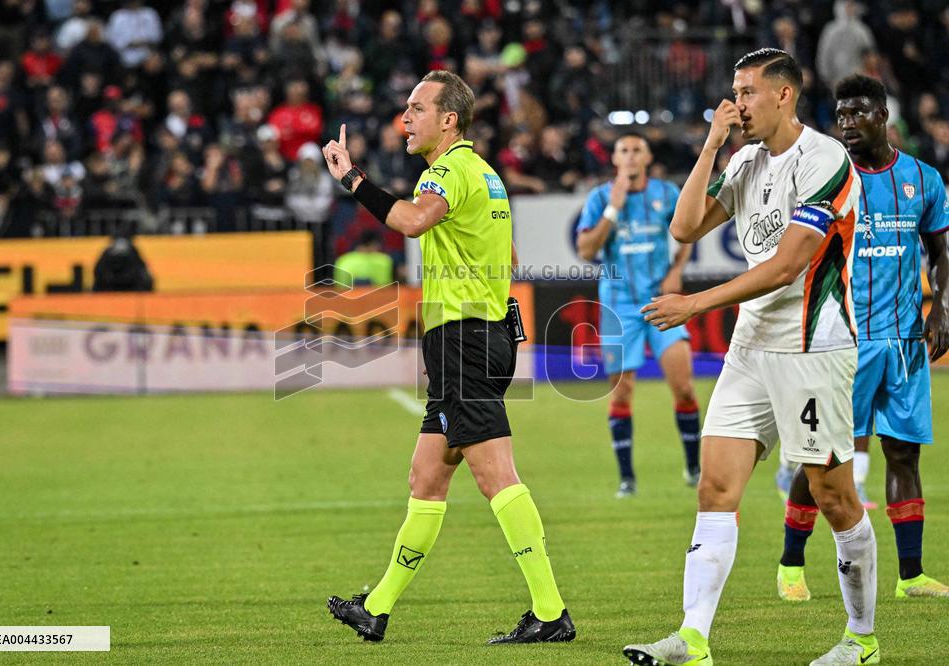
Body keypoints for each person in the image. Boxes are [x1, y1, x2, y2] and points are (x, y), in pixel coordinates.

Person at [623, 49, 877, 666]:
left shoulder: (825, 159)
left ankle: (861, 638)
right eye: (733, 92)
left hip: (810, 347)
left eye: (746, 92)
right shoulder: (744, 162)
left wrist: (697, 302)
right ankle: (692, 638)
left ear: (784, 94)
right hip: (750, 349)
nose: (735, 103)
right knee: (715, 486)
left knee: (833, 495)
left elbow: (789, 263)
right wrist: (711, 146)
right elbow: (684, 228)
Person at [321, 70, 574, 645]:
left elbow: (412, 223)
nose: (404, 119)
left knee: (496, 477)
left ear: (448, 118)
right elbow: (507, 253)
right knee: (426, 476)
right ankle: (377, 607)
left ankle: (550, 611)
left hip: (462, 340)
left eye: (416, 108)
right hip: (478, 336)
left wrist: (353, 179)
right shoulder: (485, 175)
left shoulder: (447, 171)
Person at [775, 75, 949, 603]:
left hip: (902, 342)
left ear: (883, 115)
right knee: (821, 457)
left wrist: (941, 304)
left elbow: (941, 250)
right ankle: (791, 564)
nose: (847, 124)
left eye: (858, 113)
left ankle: (912, 575)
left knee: (903, 454)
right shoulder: (827, 179)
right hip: (841, 340)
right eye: (841, 114)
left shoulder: (923, 179)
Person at [575, 133, 700, 498]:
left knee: (684, 385)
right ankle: (627, 479)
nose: (630, 157)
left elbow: (689, 230)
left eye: (636, 150)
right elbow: (585, 250)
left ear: (647, 158)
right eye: (623, 151)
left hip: (663, 300)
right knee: (621, 393)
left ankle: (694, 468)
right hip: (619, 306)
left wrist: (678, 266)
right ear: (615, 160)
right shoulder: (600, 198)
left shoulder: (666, 193)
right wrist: (612, 210)